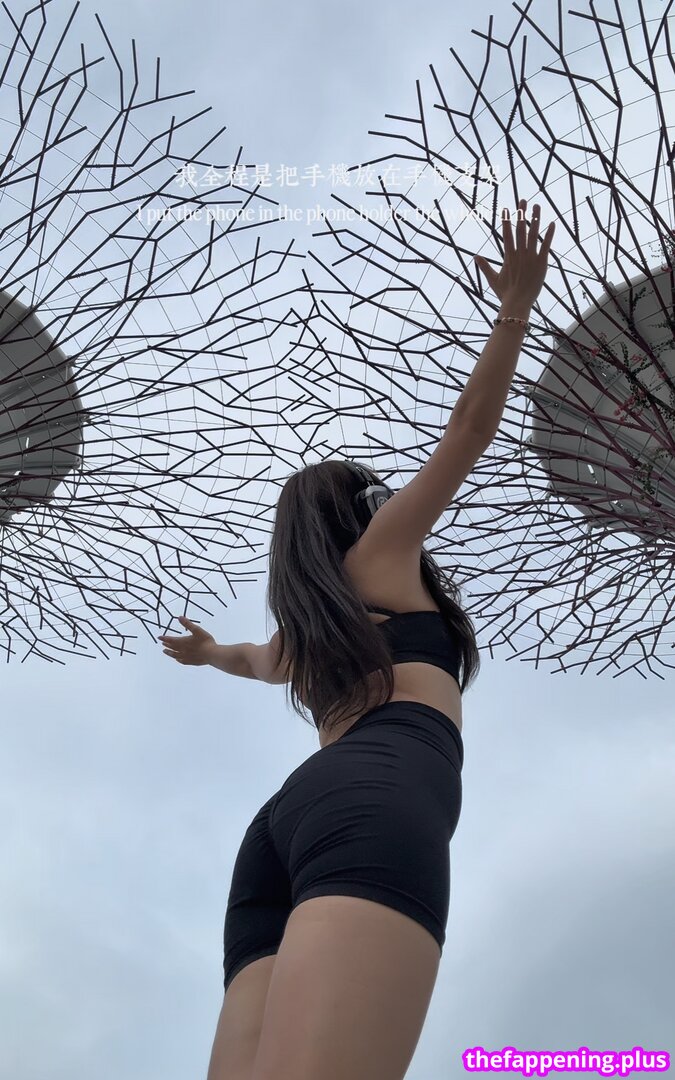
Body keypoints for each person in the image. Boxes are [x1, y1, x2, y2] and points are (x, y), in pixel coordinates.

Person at [158, 198, 555, 1080]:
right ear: (357, 510)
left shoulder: (309, 630)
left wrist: (207, 653)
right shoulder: (378, 560)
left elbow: (251, 661)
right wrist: (514, 310)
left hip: (280, 827)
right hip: (377, 788)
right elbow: (466, 432)